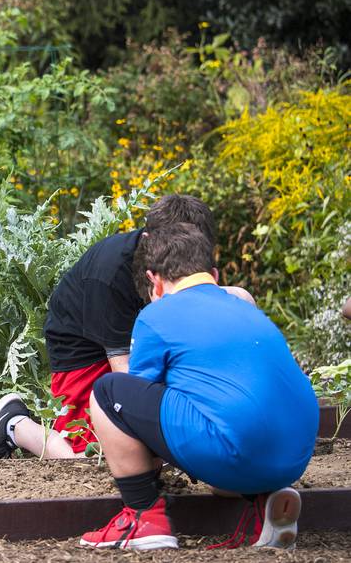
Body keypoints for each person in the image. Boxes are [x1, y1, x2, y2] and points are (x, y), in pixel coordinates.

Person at [80, 222, 318, 550]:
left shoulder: (156, 315)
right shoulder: (246, 308)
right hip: (294, 457)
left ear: (154, 281)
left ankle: (142, 516)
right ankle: (263, 501)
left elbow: (140, 398)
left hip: (235, 451)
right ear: (214, 275)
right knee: (228, 428)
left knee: (109, 391)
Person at [0, 194, 255, 461]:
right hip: (86, 354)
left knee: (239, 298)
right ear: (149, 240)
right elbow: (124, 379)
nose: (186, 265)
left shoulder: (190, 257)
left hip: (144, 340)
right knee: (98, 457)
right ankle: (16, 425)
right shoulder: (110, 275)